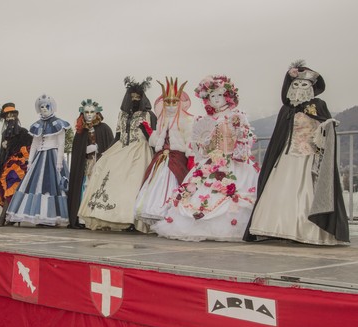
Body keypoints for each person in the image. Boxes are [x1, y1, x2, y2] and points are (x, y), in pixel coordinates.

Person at [244, 61, 349, 245]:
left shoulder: (318, 105)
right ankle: (278, 228)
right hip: (285, 157)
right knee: (281, 190)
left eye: (304, 85)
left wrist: (326, 127)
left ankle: (307, 230)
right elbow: (280, 135)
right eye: (296, 84)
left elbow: (325, 126)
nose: (300, 88)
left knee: (306, 191)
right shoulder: (287, 109)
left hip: (308, 157)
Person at [154, 75, 260, 241]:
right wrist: (203, 145)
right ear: (207, 99)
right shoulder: (203, 120)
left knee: (231, 194)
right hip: (208, 163)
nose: (216, 99)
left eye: (219, 95)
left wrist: (237, 140)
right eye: (212, 96)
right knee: (197, 193)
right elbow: (200, 151)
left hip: (234, 163)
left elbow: (245, 144)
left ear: (228, 96)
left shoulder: (236, 116)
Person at [77, 77, 156, 232]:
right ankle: (112, 217)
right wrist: (106, 153)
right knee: (107, 172)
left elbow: (152, 135)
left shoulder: (148, 115)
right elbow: (118, 136)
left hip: (140, 151)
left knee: (132, 183)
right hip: (121, 148)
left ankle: (132, 220)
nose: (134, 100)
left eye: (137, 97)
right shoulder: (122, 115)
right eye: (131, 97)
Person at [134, 77, 194, 225]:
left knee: (175, 185)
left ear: (179, 102)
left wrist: (191, 157)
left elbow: (190, 141)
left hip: (177, 158)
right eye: (168, 102)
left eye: (174, 102)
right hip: (161, 158)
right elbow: (157, 140)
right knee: (154, 184)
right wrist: (149, 131)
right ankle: (156, 215)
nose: (171, 105)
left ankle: (172, 217)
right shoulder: (162, 119)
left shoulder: (187, 120)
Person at [6, 94, 70, 226]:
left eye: (47, 106)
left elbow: (61, 144)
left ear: (52, 107)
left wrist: (59, 162)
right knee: (34, 186)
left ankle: (51, 216)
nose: (44, 109)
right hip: (39, 159)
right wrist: (30, 161)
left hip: (52, 157)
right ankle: (39, 216)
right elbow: (34, 144)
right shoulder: (37, 125)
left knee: (52, 186)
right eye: (42, 107)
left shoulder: (58, 124)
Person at [67, 99, 114, 228]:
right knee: (85, 188)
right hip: (86, 166)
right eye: (86, 112)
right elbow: (77, 151)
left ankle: (98, 218)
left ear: (97, 113)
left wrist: (99, 149)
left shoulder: (104, 129)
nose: (89, 114)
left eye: (91, 112)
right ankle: (83, 218)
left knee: (98, 188)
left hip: (99, 166)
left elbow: (110, 147)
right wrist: (84, 150)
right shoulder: (80, 132)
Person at [0, 103, 33, 226]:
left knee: (11, 187)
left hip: (18, 167)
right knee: (7, 189)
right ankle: (10, 217)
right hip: (6, 165)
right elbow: (2, 153)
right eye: (7, 115)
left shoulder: (23, 132)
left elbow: (29, 148)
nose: (10, 117)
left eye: (12, 114)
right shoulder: (4, 133)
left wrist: (22, 156)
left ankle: (3, 217)